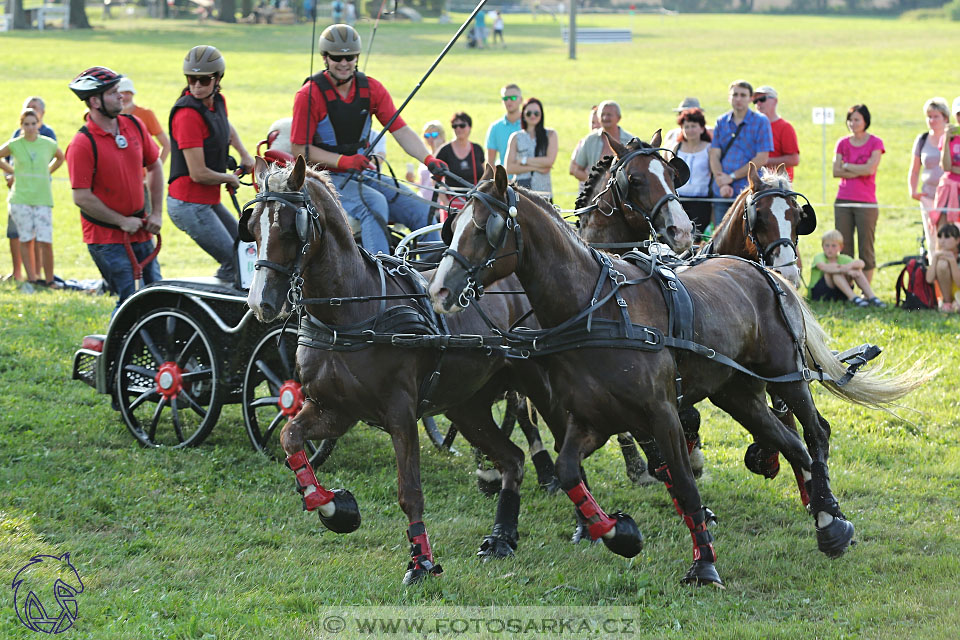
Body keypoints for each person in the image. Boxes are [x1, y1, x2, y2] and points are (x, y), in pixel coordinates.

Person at [290, 24, 446, 256]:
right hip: (324, 178)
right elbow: (299, 149)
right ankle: (379, 277)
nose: (344, 63)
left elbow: (400, 131)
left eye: (349, 57)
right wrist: (344, 161)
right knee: (374, 204)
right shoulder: (308, 95)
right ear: (325, 58)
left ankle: (433, 276)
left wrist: (428, 158)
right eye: (336, 57)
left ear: (357, 57)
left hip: (362, 174)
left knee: (422, 210)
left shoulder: (371, 88)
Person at [65, 66, 163, 311]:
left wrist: (157, 213)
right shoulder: (82, 143)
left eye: (119, 91)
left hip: (140, 230)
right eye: (113, 93)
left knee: (158, 295)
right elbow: (82, 197)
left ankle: (158, 348)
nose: (121, 96)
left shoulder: (135, 125)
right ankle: (118, 349)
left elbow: (155, 167)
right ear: (95, 101)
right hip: (106, 238)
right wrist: (120, 220)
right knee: (130, 298)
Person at [168, 45, 254, 283]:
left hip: (207, 201)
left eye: (204, 80)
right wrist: (229, 178)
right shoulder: (187, 115)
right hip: (188, 205)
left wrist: (244, 154)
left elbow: (224, 126)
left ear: (217, 79)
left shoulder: (218, 102)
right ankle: (220, 305)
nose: (196, 86)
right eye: (192, 79)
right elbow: (198, 174)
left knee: (245, 249)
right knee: (234, 261)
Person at [0, 108, 64, 290]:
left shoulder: (48, 144)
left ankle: (50, 280)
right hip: (21, 198)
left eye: (33, 124)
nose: (30, 127)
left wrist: (48, 170)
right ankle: (33, 279)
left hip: (42, 197)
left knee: (45, 240)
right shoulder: (15, 144)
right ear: (21, 126)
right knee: (26, 239)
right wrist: (12, 171)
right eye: (26, 124)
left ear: (38, 125)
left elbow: (60, 157)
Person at [709, 80, 773, 226]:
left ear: (751, 98)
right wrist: (720, 180)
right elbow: (714, 154)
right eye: (735, 95)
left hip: (749, 191)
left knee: (750, 239)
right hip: (723, 192)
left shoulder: (761, 122)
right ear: (729, 98)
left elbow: (762, 158)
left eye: (743, 95)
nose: (738, 99)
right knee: (721, 240)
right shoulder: (722, 121)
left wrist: (730, 177)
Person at [833, 104, 884, 284]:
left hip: (866, 201)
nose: (852, 123)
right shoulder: (842, 143)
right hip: (843, 200)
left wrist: (848, 167)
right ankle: (847, 287)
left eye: (857, 119)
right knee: (844, 244)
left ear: (865, 121)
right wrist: (858, 170)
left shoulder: (875, 142)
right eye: (850, 120)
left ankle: (866, 288)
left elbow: (871, 168)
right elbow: (836, 171)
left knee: (866, 246)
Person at [907, 97, 949, 254]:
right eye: (929, 116)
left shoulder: (952, 138)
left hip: (951, 197)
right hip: (928, 197)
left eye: (936, 116)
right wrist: (913, 191)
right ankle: (934, 276)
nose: (932, 120)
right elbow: (915, 168)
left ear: (945, 117)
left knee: (951, 238)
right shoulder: (922, 139)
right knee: (933, 241)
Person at [809, 229, 884, 308]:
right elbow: (823, 267)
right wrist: (847, 271)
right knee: (834, 272)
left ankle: (871, 297)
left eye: (833, 246)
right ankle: (853, 298)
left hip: (840, 292)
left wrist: (847, 268)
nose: (830, 249)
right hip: (820, 293)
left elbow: (861, 263)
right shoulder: (819, 257)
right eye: (827, 245)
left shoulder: (843, 258)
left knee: (856, 270)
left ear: (840, 247)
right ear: (822, 246)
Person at [505, 97, 558, 200]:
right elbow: (509, 168)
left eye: (536, 113)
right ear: (523, 115)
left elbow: (549, 161)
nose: (533, 116)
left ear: (541, 115)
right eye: (529, 113)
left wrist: (523, 161)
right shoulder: (515, 137)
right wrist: (537, 167)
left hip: (543, 193)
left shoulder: (551, 134)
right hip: (521, 193)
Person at [570, 100, 634, 183]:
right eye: (602, 114)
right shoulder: (590, 140)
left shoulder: (630, 141)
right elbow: (577, 170)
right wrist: (594, 181)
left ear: (618, 118)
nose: (605, 118)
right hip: (596, 194)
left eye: (609, 115)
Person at [672, 108, 712, 234]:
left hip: (701, 202)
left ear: (701, 128)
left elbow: (716, 172)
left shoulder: (709, 148)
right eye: (686, 126)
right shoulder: (676, 148)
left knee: (695, 238)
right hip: (679, 201)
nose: (690, 130)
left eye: (693, 126)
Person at [119, 77, 171, 164]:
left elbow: (166, 144)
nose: (124, 97)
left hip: (143, 175)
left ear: (133, 94)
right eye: (121, 93)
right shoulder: (110, 117)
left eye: (127, 93)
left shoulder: (146, 114)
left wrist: (156, 171)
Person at [752, 85, 799, 180]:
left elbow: (794, 159)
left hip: (778, 184)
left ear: (775, 101)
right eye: (755, 101)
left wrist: (764, 161)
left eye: (762, 99)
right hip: (755, 181)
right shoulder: (750, 127)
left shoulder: (785, 127)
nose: (758, 103)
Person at [933, 96, 960, 252]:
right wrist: (947, 140)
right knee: (943, 230)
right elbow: (946, 166)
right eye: (959, 114)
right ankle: (940, 262)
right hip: (949, 188)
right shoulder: (947, 137)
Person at [436, 112, 485, 188]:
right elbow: (435, 179)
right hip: (453, 197)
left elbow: (484, 175)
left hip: (475, 197)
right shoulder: (444, 151)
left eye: (462, 126)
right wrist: (445, 199)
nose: (458, 129)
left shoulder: (477, 149)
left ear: (470, 127)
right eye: (455, 126)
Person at [406, 121, 446, 201]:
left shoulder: (446, 155)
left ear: (442, 136)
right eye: (427, 135)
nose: (430, 138)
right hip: (423, 201)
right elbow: (424, 185)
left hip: (439, 203)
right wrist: (412, 181)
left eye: (434, 135)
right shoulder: (424, 156)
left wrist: (437, 149)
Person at [485, 83, 523, 168]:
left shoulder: (529, 125)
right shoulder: (495, 127)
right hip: (504, 178)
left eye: (513, 98)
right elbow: (490, 162)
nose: (509, 101)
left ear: (521, 100)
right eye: (505, 98)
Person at [927, 223, 960, 312]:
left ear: (957, 240)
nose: (942, 241)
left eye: (947, 237)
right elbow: (929, 279)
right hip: (948, 293)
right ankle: (947, 302)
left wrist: (952, 261)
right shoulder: (939, 256)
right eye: (940, 237)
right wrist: (934, 258)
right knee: (942, 264)